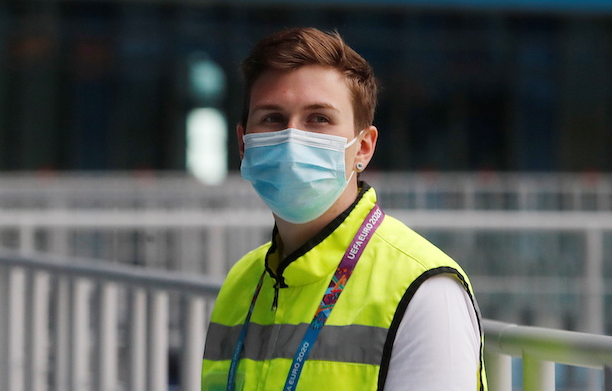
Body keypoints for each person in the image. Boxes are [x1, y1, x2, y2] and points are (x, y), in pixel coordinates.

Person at [202, 27, 486, 391]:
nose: (292, 137)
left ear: (364, 148)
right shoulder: (242, 281)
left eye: (318, 118)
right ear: (245, 144)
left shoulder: (426, 291)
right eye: (272, 118)